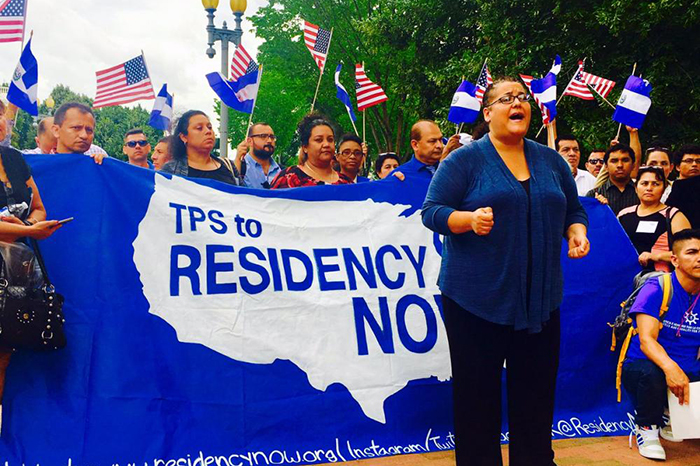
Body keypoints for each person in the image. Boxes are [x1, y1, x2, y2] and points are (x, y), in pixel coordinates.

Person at [422, 77, 589, 466]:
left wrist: (576, 232)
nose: (518, 103)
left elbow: (573, 209)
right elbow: (432, 212)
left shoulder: (551, 161)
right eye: (507, 98)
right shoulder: (464, 160)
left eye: (523, 97)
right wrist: (467, 219)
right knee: (477, 399)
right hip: (475, 301)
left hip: (540, 301)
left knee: (536, 396)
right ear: (488, 112)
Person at [0, 109, 63, 431]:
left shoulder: (14, 159)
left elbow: (38, 208)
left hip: (15, 271)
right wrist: (23, 229)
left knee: (4, 350)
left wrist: (26, 226)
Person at [621, 228, 700, 461]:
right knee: (652, 373)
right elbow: (646, 341)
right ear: (674, 260)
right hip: (645, 366)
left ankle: (675, 417)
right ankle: (647, 429)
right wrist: (671, 368)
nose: (699, 258)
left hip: (688, 367)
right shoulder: (657, 288)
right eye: (692, 252)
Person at [617, 167, 691, 272]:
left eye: (655, 184)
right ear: (636, 187)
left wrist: (656, 256)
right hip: (624, 275)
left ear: (664, 188)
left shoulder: (674, 216)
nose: (649, 188)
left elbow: (689, 252)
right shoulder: (624, 214)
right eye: (644, 183)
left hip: (660, 277)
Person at [161, 110, 242, 186]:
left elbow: (243, 194)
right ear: (184, 137)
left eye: (209, 127)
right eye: (199, 128)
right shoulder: (171, 170)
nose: (208, 131)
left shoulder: (228, 166)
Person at [270, 114, 350, 188]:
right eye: (319, 140)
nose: (326, 144)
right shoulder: (287, 178)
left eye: (330, 140)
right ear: (305, 147)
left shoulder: (347, 183)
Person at [586, 143, 639, 216]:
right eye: (614, 161)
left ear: (633, 165)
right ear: (606, 166)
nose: (620, 165)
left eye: (625, 160)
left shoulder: (641, 194)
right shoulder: (594, 195)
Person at [235, 123, 282, 189]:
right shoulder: (240, 167)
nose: (269, 141)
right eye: (263, 136)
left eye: (272, 137)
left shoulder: (282, 171)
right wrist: (237, 160)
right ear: (249, 141)